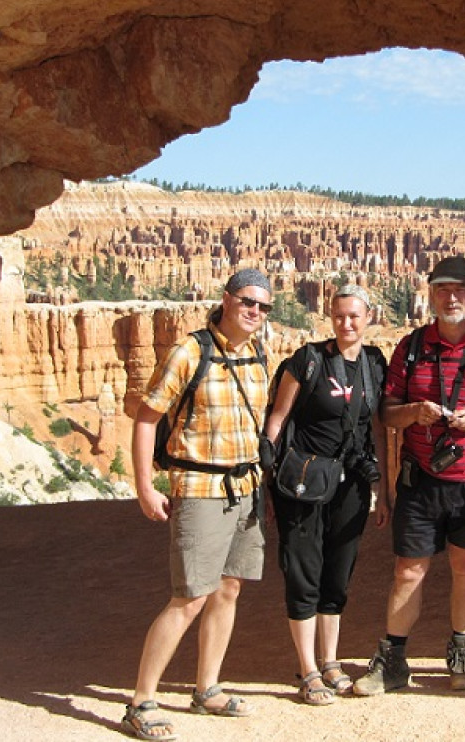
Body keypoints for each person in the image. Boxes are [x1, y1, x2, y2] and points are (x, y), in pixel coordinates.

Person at [353, 255, 465, 696]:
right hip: (421, 479)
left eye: (460, 289)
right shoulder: (410, 347)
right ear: (430, 294)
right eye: (442, 290)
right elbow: (387, 414)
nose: (452, 297)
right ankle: (393, 658)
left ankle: (461, 651)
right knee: (408, 571)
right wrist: (414, 411)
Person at [120, 269, 273, 741]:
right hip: (200, 488)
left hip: (246, 487)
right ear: (227, 300)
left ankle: (207, 688)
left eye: (264, 306)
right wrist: (145, 486)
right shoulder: (190, 351)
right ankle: (141, 700)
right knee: (189, 597)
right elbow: (147, 417)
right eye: (248, 302)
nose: (255, 312)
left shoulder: (255, 353)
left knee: (229, 589)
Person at [264, 284, 390, 706]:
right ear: (330, 317)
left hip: (352, 482)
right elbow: (278, 419)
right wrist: (267, 480)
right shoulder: (309, 359)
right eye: (339, 316)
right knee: (304, 569)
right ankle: (308, 668)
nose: (346, 323)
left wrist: (383, 487)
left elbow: (379, 429)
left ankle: (331, 660)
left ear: (368, 317)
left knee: (338, 570)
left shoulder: (374, 363)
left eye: (354, 316)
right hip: (303, 480)